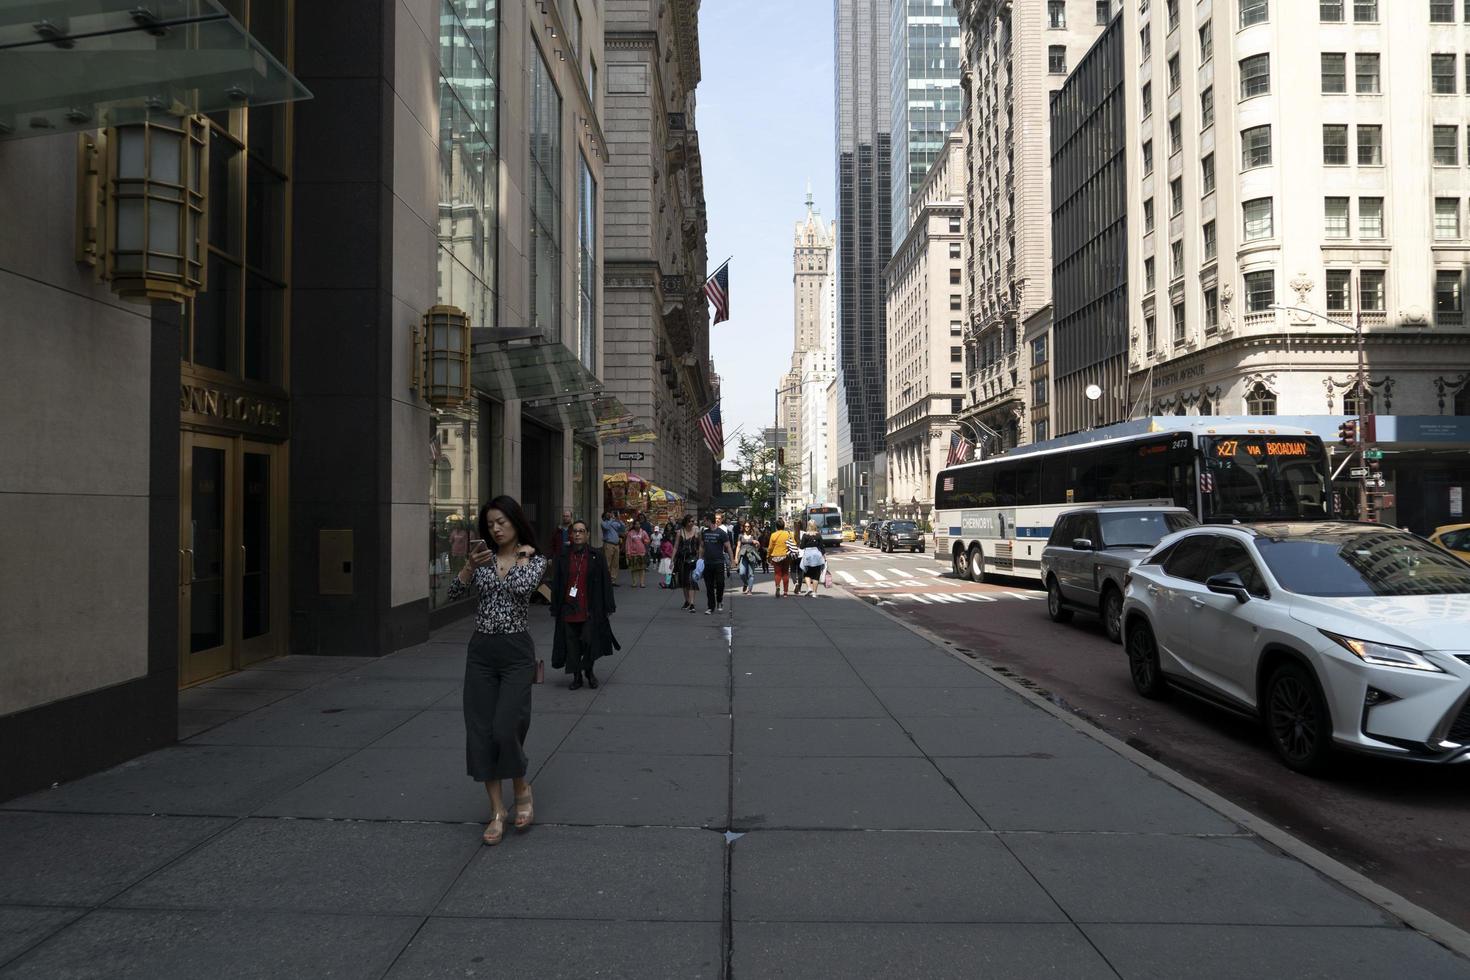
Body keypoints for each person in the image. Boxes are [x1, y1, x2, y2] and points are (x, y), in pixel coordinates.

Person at [447, 495, 548, 847]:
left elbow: (521, 588)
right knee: (481, 731)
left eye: (502, 521)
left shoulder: (535, 560)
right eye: (490, 524)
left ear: (516, 522)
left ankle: (521, 786)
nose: (496, 528)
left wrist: (521, 557)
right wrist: (469, 567)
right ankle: (497, 811)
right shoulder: (482, 561)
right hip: (482, 652)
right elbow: (453, 592)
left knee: (507, 727)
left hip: (516, 650)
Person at [549, 519, 618, 692]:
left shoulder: (597, 556)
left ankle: (589, 671)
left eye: (581, 531)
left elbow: (605, 583)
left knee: (589, 641)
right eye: (575, 531)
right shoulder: (562, 556)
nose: (578, 534)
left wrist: (608, 606)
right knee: (571, 644)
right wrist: (555, 607)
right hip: (568, 608)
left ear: (587, 534)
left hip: (589, 608)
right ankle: (577, 676)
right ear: (571, 535)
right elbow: (557, 583)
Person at [701, 511, 735, 614]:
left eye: (705, 520)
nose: (703, 521)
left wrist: (732, 561)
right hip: (707, 563)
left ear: (709, 520)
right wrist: (699, 559)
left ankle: (719, 600)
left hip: (719, 562)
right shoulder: (704, 533)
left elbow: (728, 547)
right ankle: (711, 607)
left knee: (720, 584)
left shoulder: (721, 533)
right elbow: (701, 547)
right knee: (709, 586)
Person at [675, 514, 702, 611]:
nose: (692, 523)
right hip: (682, 559)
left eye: (693, 521)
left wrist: (700, 558)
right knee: (684, 581)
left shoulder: (697, 531)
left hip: (693, 559)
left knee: (692, 580)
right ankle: (687, 601)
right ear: (686, 522)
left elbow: (700, 545)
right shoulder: (680, 532)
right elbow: (676, 547)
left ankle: (692, 603)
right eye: (690, 521)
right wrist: (671, 560)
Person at [799, 519, 826, 598]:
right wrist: (824, 556)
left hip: (808, 555)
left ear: (808, 526)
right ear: (815, 526)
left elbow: (801, 546)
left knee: (807, 573)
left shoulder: (805, 535)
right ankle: (814, 592)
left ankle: (809, 588)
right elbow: (821, 547)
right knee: (816, 574)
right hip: (817, 555)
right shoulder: (818, 535)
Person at [767, 518, 793, 597]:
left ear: (776, 527)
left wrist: (768, 556)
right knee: (785, 573)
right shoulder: (788, 534)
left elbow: (770, 547)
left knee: (777, 573)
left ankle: (777, 586)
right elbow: (794, 543)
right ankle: (785, 592)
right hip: (786, 556)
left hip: (776, 556)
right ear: (784, 526)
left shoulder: (773, 535)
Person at [600, 511, 626, 586]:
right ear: (604, 517)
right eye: (607, 515)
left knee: (615, 563)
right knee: (608, 563)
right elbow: (606, 527)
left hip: (616, 545)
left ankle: (613, 580)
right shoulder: (603, 523)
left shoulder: (614, 523)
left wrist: (619, 520)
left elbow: (622, 528)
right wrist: (611, 519)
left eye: (610, 515)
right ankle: (606, 580)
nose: (610, 516)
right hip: (608, 544)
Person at [624, 519, 651, 588]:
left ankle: (642, 583)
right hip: (633, 553)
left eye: (638, 524)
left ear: (640, 525)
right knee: (634, 569)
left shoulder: (643, 532)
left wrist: (644, 540)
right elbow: (628, 544)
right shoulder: (630, 533)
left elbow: (648, 540)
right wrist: (628, 553)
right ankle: (634, 582)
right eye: (636, 524)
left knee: (642, 568)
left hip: (642, 552)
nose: (637, 525)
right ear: (634, 525)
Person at [737, 521, 761, 594]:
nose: (747, 527)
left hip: (751, 556)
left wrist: (757, 543)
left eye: (748, 526)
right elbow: (738, 546)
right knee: (742, 573)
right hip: (743, 556)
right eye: (745, 526)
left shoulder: (753, 536)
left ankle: (749, 590)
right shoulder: (740, 536)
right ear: (743, 527)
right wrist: (735, 557)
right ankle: (746, 583)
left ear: (750, 527)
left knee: (751, 574)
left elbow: (758, 547)